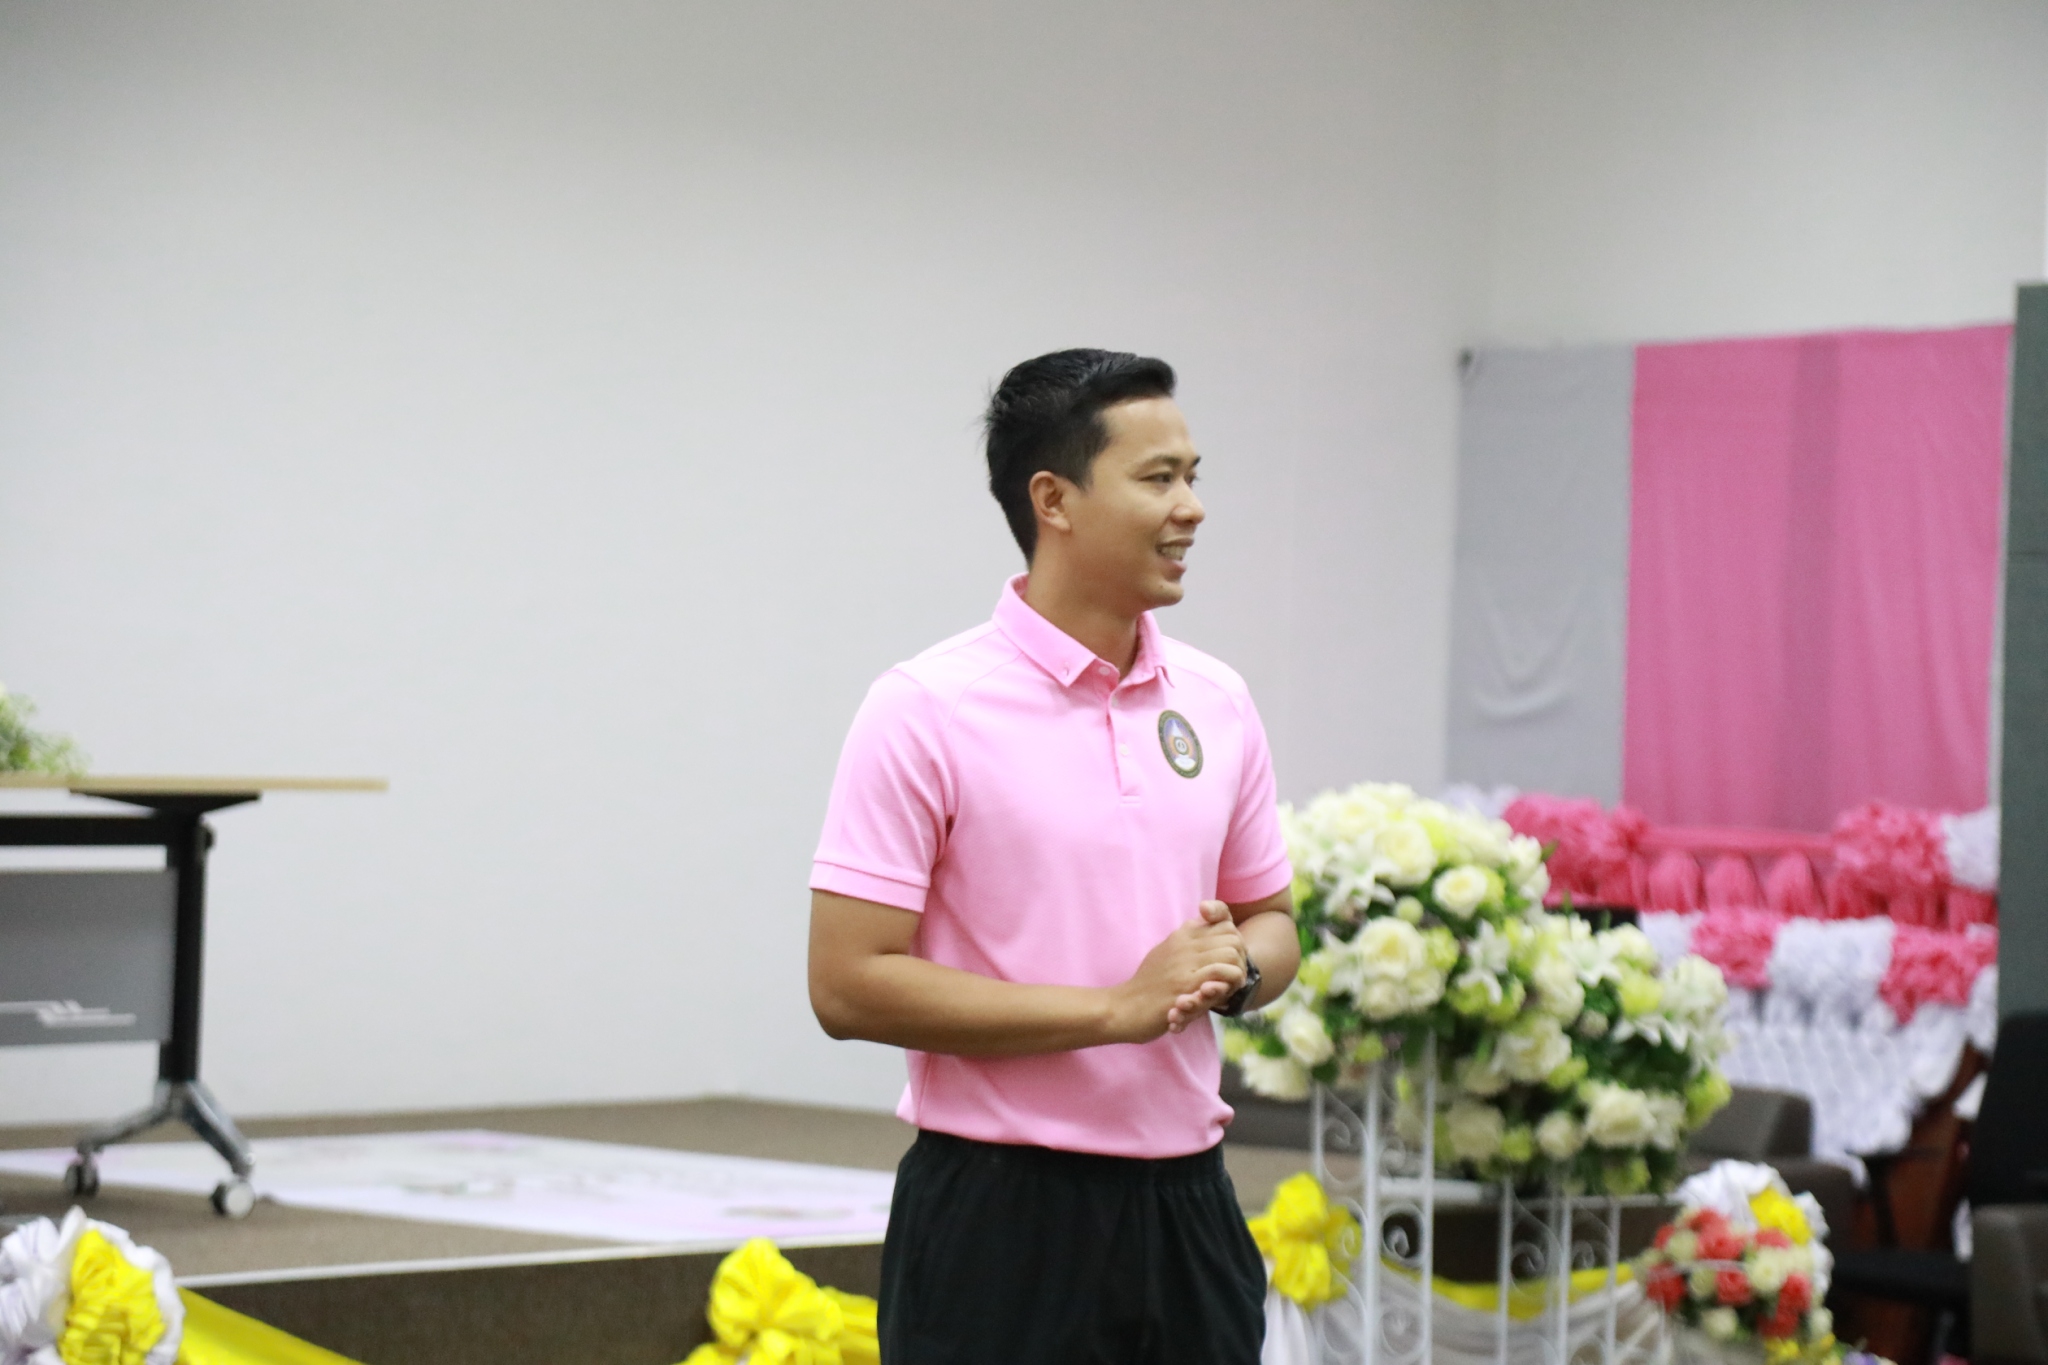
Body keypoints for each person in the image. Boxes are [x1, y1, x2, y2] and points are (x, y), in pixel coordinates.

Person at [807, 348, 1301, 1364]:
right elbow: (846, 984)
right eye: (1157, 478)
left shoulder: (1217, 699)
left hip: (1191, 1210)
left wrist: (1238, 970)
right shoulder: (924, 707)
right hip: (999, 1219)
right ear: (1053, 500)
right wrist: (1114, 1011)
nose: (1192, 507)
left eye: (1192, 475)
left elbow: (1272, 921)